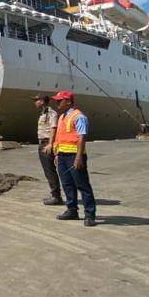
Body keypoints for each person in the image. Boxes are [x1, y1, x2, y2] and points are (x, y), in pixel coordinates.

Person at [51, 91, 97, 227]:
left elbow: (82, 137)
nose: (57, 102)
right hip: (62, 156)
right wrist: (57, 155)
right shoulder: (61, 117)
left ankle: (89, 215)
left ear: (69, 101)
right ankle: (72, 210)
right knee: (67, 184)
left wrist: (78, 157)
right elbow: (60, 138)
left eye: (60, 100)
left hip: (74, 157)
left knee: (82, 185)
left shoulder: (79, 117)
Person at [33, 95, 62, 205]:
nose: (35, 102)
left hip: (46, 144)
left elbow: (53, 128)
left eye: (37, 100)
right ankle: (54, 194)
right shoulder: (43, 113)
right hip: (42, 144)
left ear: (42, 101)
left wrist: (50, 144)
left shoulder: (51, 113)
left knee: (50, 171)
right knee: (47, 171)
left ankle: (56, 196)